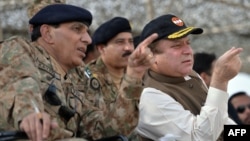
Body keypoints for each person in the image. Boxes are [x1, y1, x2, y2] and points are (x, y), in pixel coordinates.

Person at [135, 14, 242, 141]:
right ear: (151, 56)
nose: (188, 51)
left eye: (187, 43)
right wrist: (220, 81)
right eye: (177, 46)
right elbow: (200, 138)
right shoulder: (148, 96)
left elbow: (221, 122)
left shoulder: (190, 75)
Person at [0, 4, 93, 141]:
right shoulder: (20, 49)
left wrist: (132, 76)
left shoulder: (81, 73)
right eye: (77, 29)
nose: (88, 39)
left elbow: (100, 125)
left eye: (87, 32)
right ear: (48, 34)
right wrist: (31, 112)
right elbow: (19, 81)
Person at [83, 17, 157, 140]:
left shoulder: (137, 74)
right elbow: (103, 131)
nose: (128, 48)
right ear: (102, 48)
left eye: (130, 42)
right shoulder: (87, 78)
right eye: (120, 42)